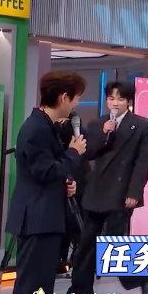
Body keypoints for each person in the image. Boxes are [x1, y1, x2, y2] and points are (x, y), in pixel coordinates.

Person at [6, 71, 87, 294]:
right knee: (32, 289)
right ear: (63, 97)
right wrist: (73, 153)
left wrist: (67, 184)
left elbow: (49, 169)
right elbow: (45, 170)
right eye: (76, 98)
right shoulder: (37, 129)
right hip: (38, 221)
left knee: (39, 289)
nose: (76, 104)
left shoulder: (46, 126)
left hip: (45, 219)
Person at [68, 81, 148, 294]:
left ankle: (141, 279)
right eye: (111, 98)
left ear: (129, 101)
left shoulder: (142, 125)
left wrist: (134, 192)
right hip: (96, 190)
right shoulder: (97, 123)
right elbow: (89, 154)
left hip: (122, 192)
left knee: (114, 243)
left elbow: (142, 162)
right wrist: (103, 132)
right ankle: (80, 292)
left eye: (120, 99)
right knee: (87, 243)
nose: (115, 103)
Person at [55, 112, 89, 276]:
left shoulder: (76, 121)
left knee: (77, 221)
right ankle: (59, 261)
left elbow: (85, 149)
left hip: (79, 177)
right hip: (59, 176)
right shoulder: (48, 124)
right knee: (62, 220)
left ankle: (77, 260)